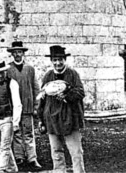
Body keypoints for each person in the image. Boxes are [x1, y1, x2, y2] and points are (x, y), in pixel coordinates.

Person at [37, 45, 86, 173]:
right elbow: (42, 98)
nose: (57, 63)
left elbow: (80, 93)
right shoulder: (48, 76)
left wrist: (67, 94)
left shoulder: (72, 74)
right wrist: (40, 119)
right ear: (51, 61)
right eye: (55, 60)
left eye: (60, 59)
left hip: (70, 117)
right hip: (52, 118)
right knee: (56, 151)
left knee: (75, 151)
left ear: (65, 60)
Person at [6, 41, 43, 171]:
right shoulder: (8, 70)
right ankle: (19, 157)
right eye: (15, 52)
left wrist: (35, 106)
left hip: (27, 107)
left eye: (19, 52)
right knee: (16, 132)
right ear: (12, 54)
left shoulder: (30, 69)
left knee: (28, 133)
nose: (17, 54)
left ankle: (32, 158)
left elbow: (36, 88)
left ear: (23, 53)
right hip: (14, 108)